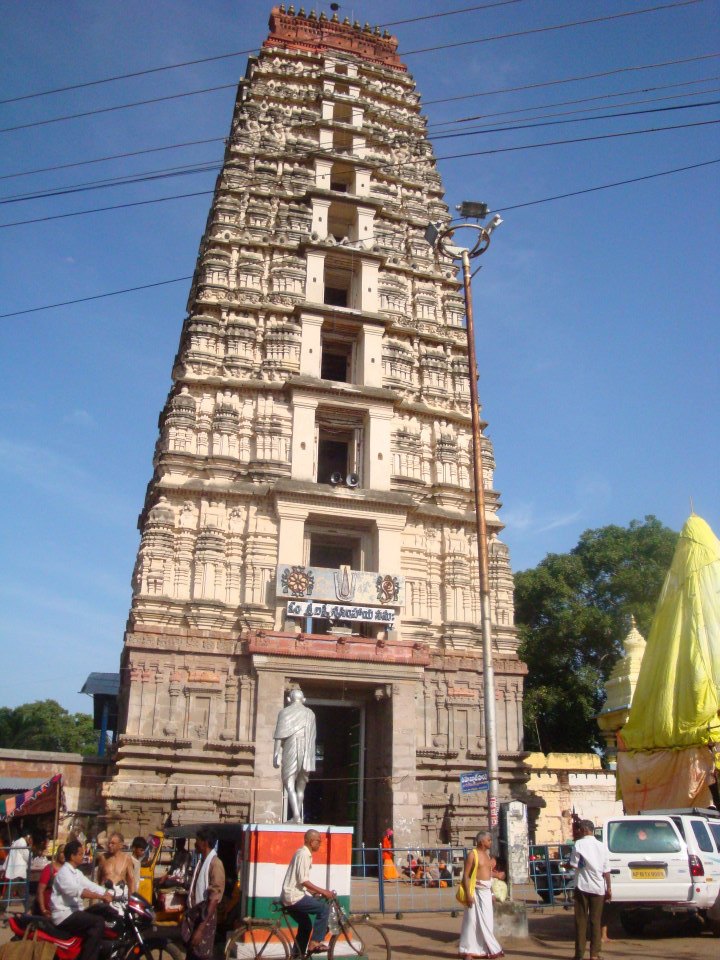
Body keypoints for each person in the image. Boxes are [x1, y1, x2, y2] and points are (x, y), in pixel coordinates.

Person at [50, 839, 114, 960]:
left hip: (74, 912)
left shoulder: (76, 873)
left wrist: (107, 892)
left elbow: (90, 885)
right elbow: (79, 891)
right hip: (64, 915)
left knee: (102, 912)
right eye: (80, 854)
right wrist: (101, 897)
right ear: (72, 856)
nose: (82, 856)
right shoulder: (64, 873)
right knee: (98, 922)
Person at [280, 829, 334, 957]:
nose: (320, 844)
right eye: (318, 842)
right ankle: (315, 942)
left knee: (306, 925)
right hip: (294, 897)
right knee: (324, 909)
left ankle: (297, 955)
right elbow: (303, 880)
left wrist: (313, 893)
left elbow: (300, 881)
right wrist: (323, 891)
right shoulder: (304, 854)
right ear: (311, 841)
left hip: (292, 896)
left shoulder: (303, 854)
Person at [568, 819, 611, 960]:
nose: (578, 832)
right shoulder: (602, 846)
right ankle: (594, 954)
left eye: (579, 829)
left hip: (582, 886)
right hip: (598, 887)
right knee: (595, 921)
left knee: (581, 921)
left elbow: (574, 864)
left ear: (585, 830)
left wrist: (566, 865)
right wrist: (609, 888)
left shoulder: (579, 844)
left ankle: (579, 954)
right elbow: (606, 870)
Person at [458, 831, 504, 960]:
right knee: (471, 922)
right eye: (489, 840)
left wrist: (492, 891)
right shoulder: (473, 855)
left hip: (486, 892)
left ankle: (484, 950)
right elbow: (466, 876)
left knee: (487, 922)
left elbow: (487, 874)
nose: (491, 842)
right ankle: (468, 952)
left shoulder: (487, 855)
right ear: (481, 841)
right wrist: (468, 894)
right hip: (475, 892)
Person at [273, 689, 317, 823]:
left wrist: (276, 753)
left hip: (291, 747)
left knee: (289, 782)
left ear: (288, 700)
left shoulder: (284, 712)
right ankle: (297, 816)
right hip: (307, 751)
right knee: (301, 785)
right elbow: (313, 737)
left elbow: (279, 736)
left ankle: (296, 815)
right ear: (303, 699)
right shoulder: (310, 714)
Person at [182, 827, 225, 960]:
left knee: (201, 955)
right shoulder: (202, 862)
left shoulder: (215, 864)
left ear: (205, 843)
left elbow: (213, 899)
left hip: (204, 918)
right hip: (196, 915)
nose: (195, 843)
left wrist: (200, 928)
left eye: (197, 840)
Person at [36, 847, 65, 918]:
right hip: (50, 907)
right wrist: (43, 910)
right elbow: (40, 891)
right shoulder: (49, 869)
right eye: (62, 852)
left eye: (66, 853)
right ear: (57, 854)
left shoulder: (70, 870)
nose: (64, 855)